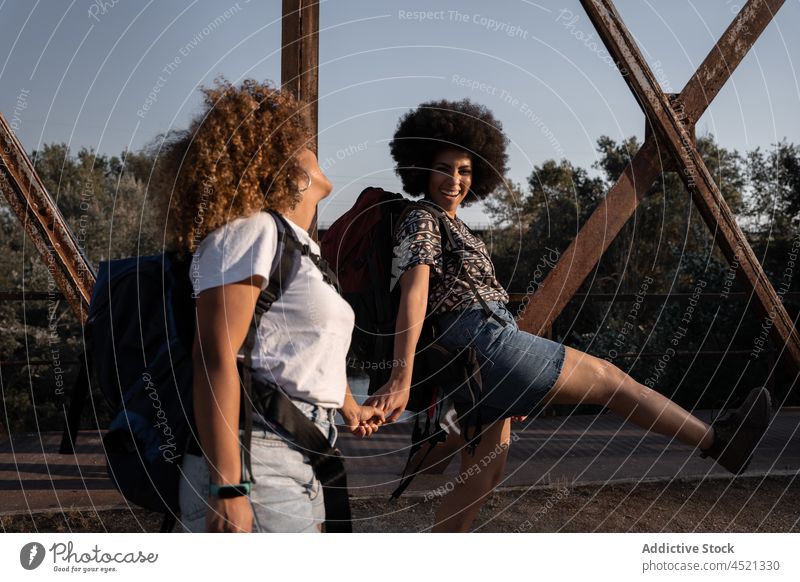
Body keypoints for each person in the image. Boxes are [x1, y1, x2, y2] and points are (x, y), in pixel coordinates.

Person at [365, 99, 772, 532]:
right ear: (421, 169)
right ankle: (719, 442)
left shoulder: (457, 226)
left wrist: (513, 384)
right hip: (482, 342)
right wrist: (400, 378)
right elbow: (415, 292)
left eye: (464, 170)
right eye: (444, 168)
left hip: (481, 353)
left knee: (480, 477)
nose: (455, 180)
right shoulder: (420, 218)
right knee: (611, 380)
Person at [156, 79, 384, 533]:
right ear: (276, 160)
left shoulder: (300, 250)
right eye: (295, 140)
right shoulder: (252, 231)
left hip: (302, 450)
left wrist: (349, 407)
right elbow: (215, 356)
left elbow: (289, 350)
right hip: (257, 459)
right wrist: (228, 485)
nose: (309, 144)